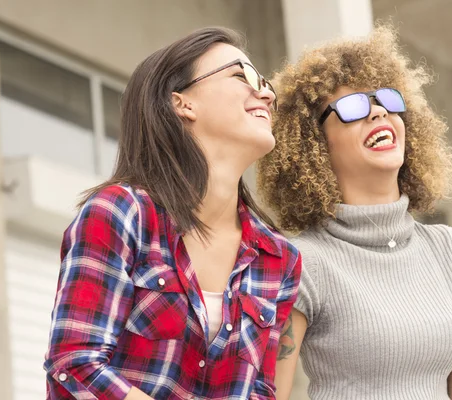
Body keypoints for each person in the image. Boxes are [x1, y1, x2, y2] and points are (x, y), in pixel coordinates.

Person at [44, 27, 301, 400]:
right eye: (240, 74)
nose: (265, 92)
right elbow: (75, 366)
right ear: (182, 103)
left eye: (265, 82)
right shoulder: (121, 213)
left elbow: (260, 389)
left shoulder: (279, 258)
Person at [258, 25, 452, 399]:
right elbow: (270, 394)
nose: (378, 111)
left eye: (387, 99)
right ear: (313, 143)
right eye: (353, 107)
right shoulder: (299, 262)